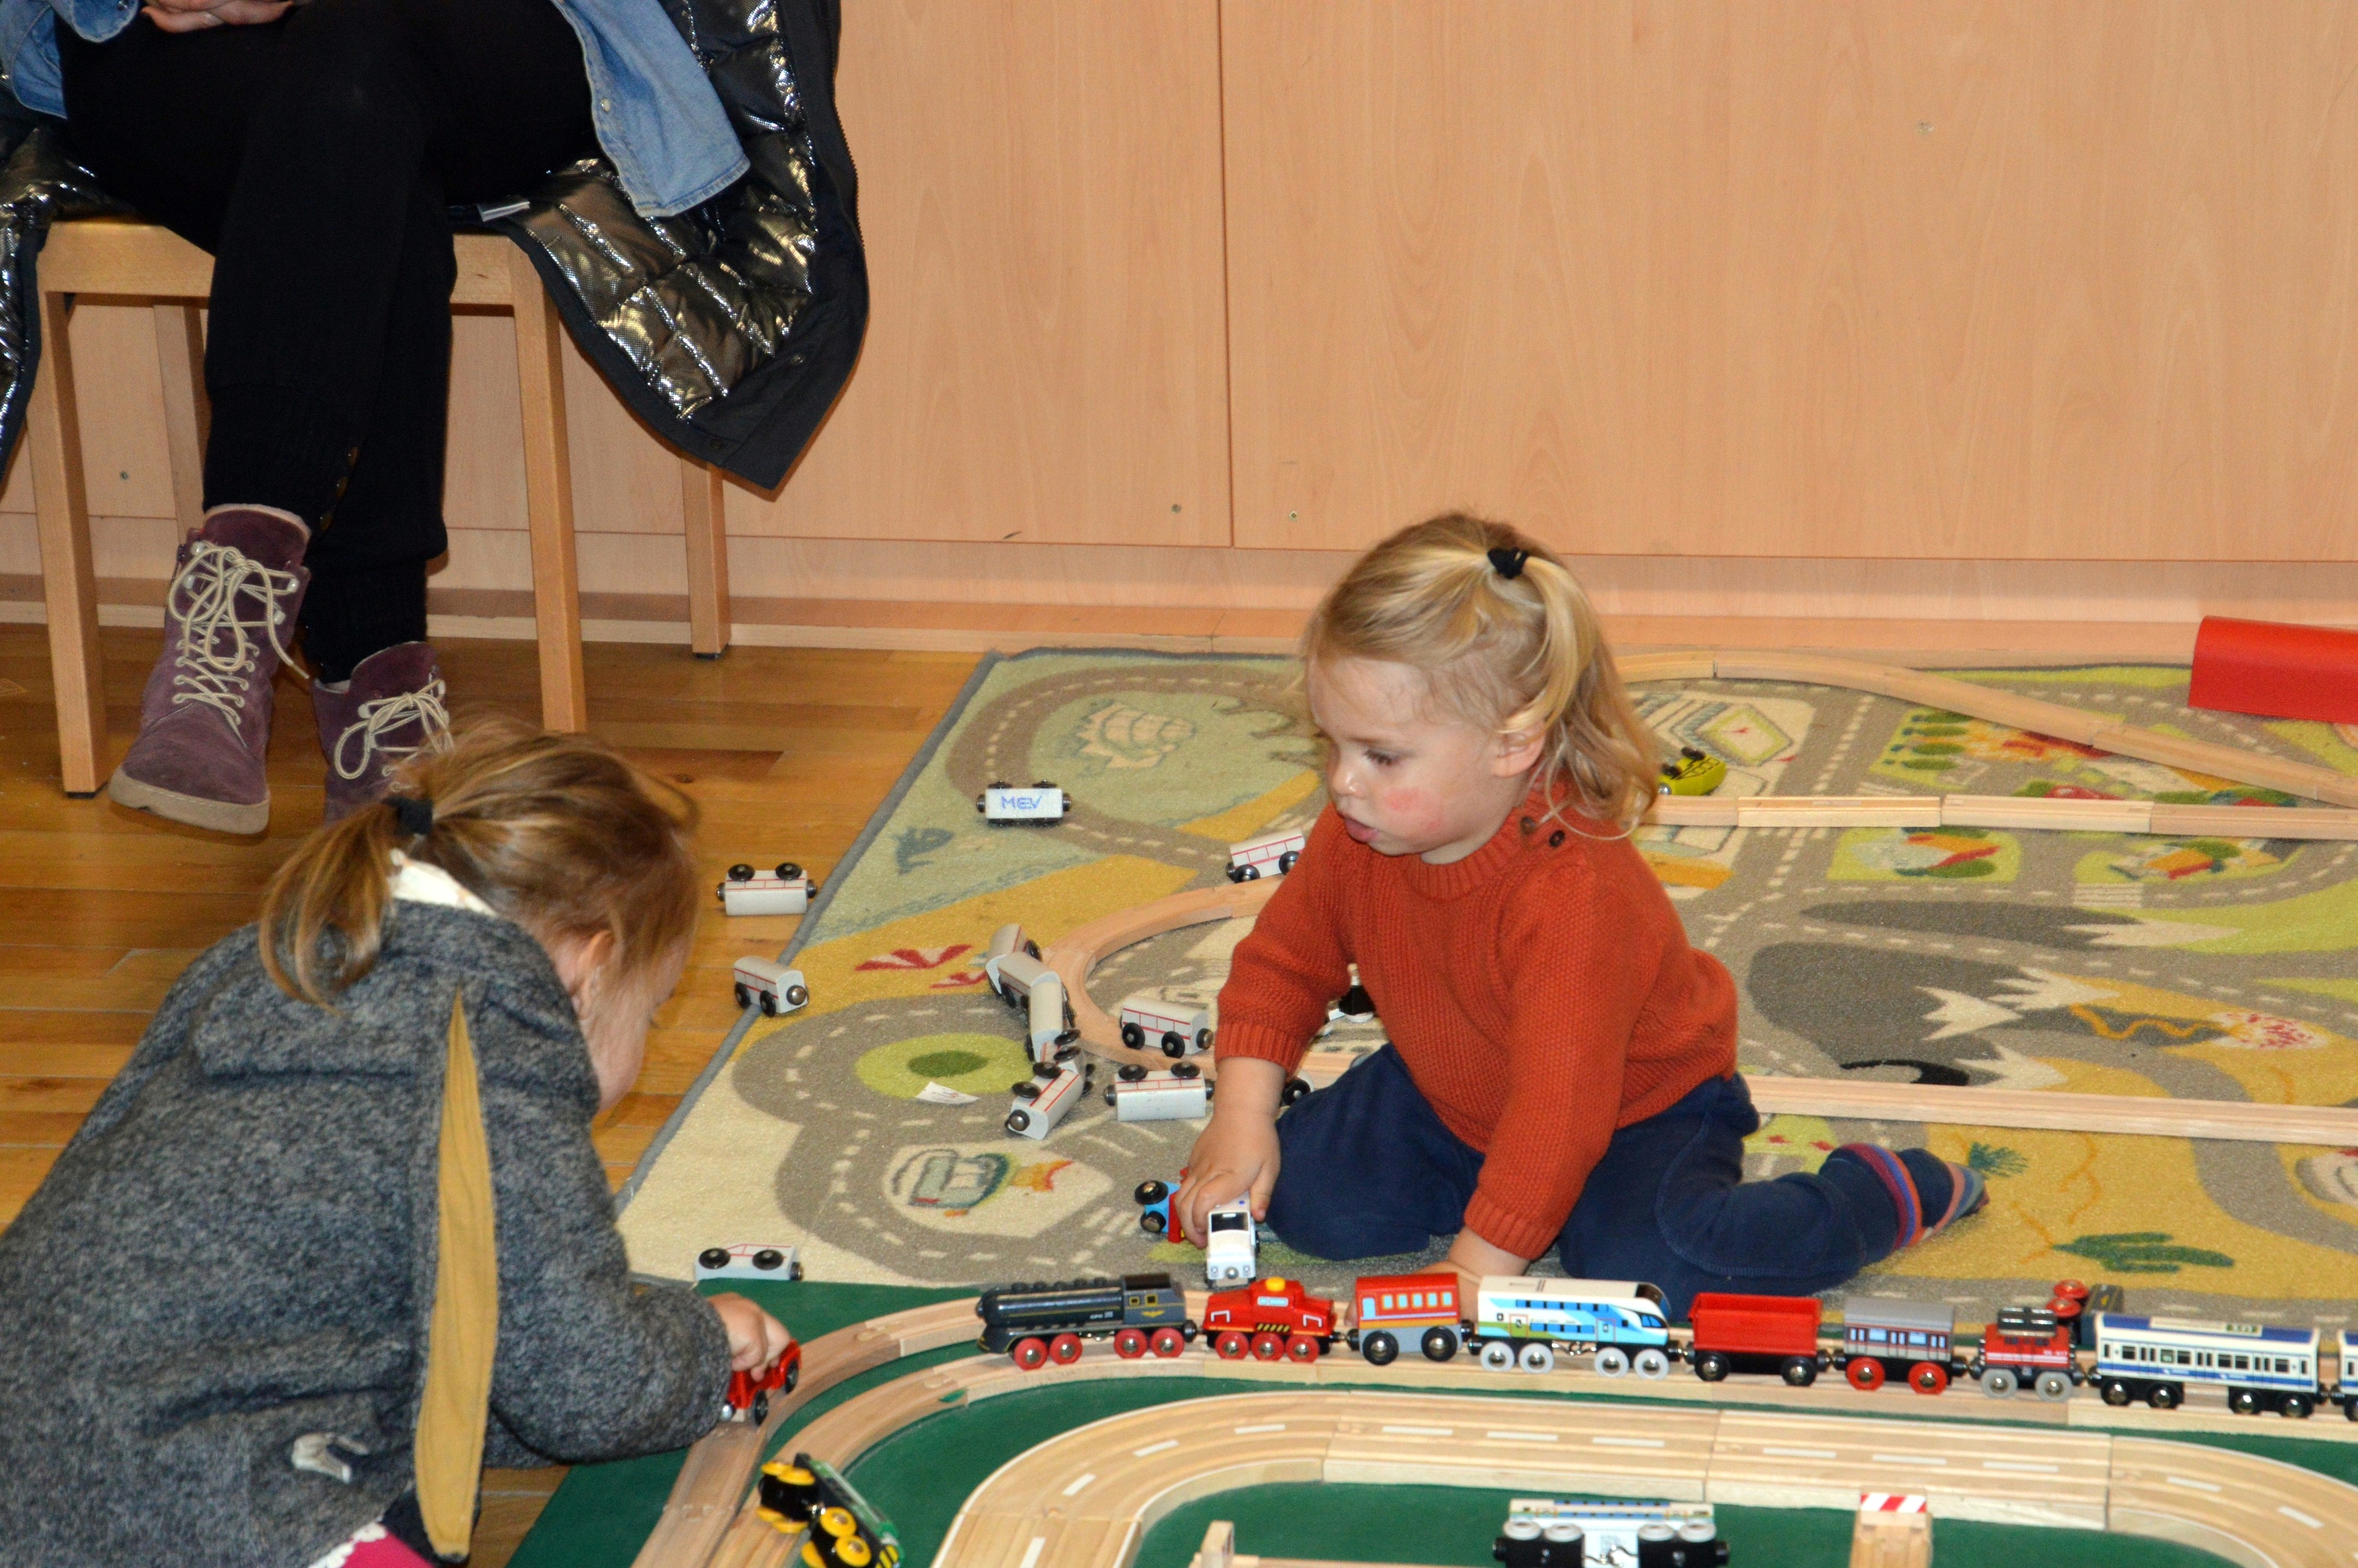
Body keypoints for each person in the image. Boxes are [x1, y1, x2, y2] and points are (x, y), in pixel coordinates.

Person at [0, 714, 792, 1566]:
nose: (650, 1036)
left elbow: (444, 1338)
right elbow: (587, 1386)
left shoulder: (263, 963)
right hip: (201, 1519)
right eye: (654, 1011)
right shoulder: (499, 1054)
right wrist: (699, 1349)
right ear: (588, 973)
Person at [1171, 514, 1985, 1317]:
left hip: (1633, 1112)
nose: (1344, 782)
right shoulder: (1360, 829)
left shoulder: (1575, 896)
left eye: (1381, 755)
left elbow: (1559, 1113)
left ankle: (1874, 1194)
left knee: (1657, 1271)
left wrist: (1478, 1267)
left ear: (1513, 744)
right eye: (1333, 744)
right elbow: (1284, 963)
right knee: (1306, 1200)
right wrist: (1241, 1115)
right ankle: (1499, 1198)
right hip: (1455, 1085)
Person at [0, 0, 758, 831]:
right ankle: (378, 678)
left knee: (357, 59)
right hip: (163, 43)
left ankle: (237, 611)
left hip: (479, 34)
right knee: (362, 140)